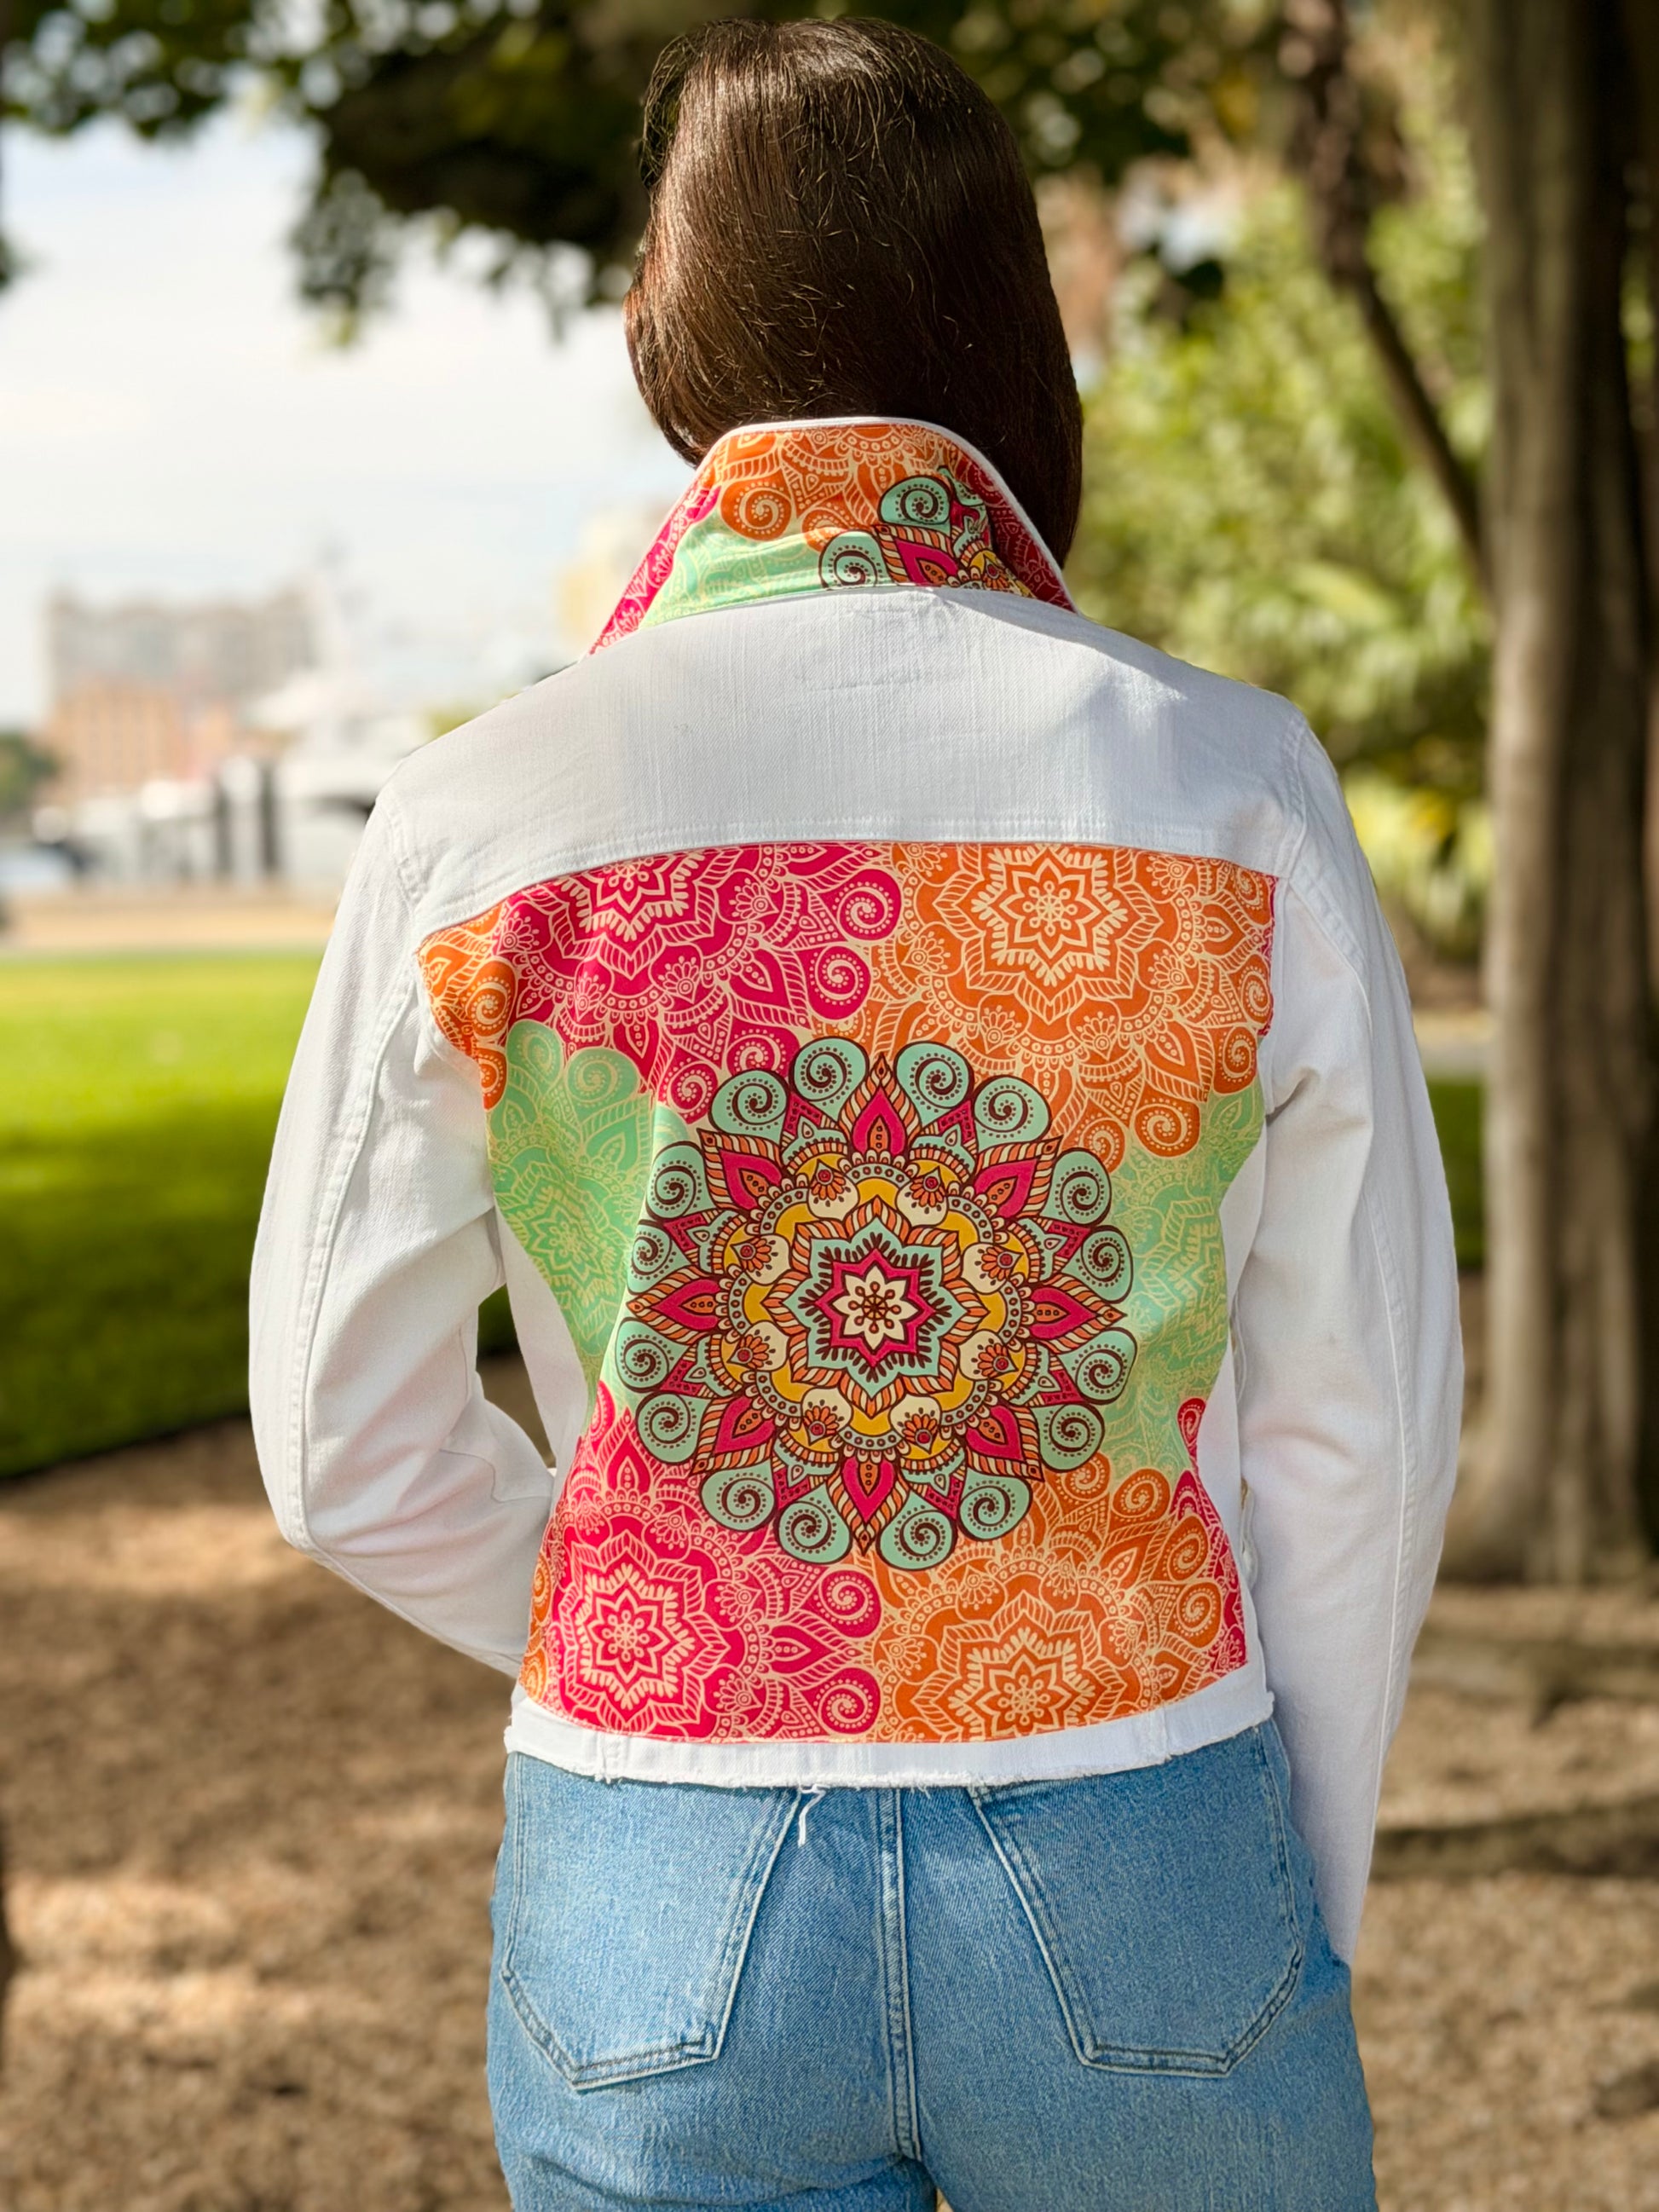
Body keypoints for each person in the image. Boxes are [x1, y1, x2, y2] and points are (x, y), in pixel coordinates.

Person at [249, 18, 1460, 2210]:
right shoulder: (1227, 778)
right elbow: (1353, 1419)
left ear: (660, 327)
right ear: (1016, 327)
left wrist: (651, 1584)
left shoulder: (473, 812)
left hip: (658, 1892)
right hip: (1141, 1826)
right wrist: (1290, 1886)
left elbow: (337, 1443)